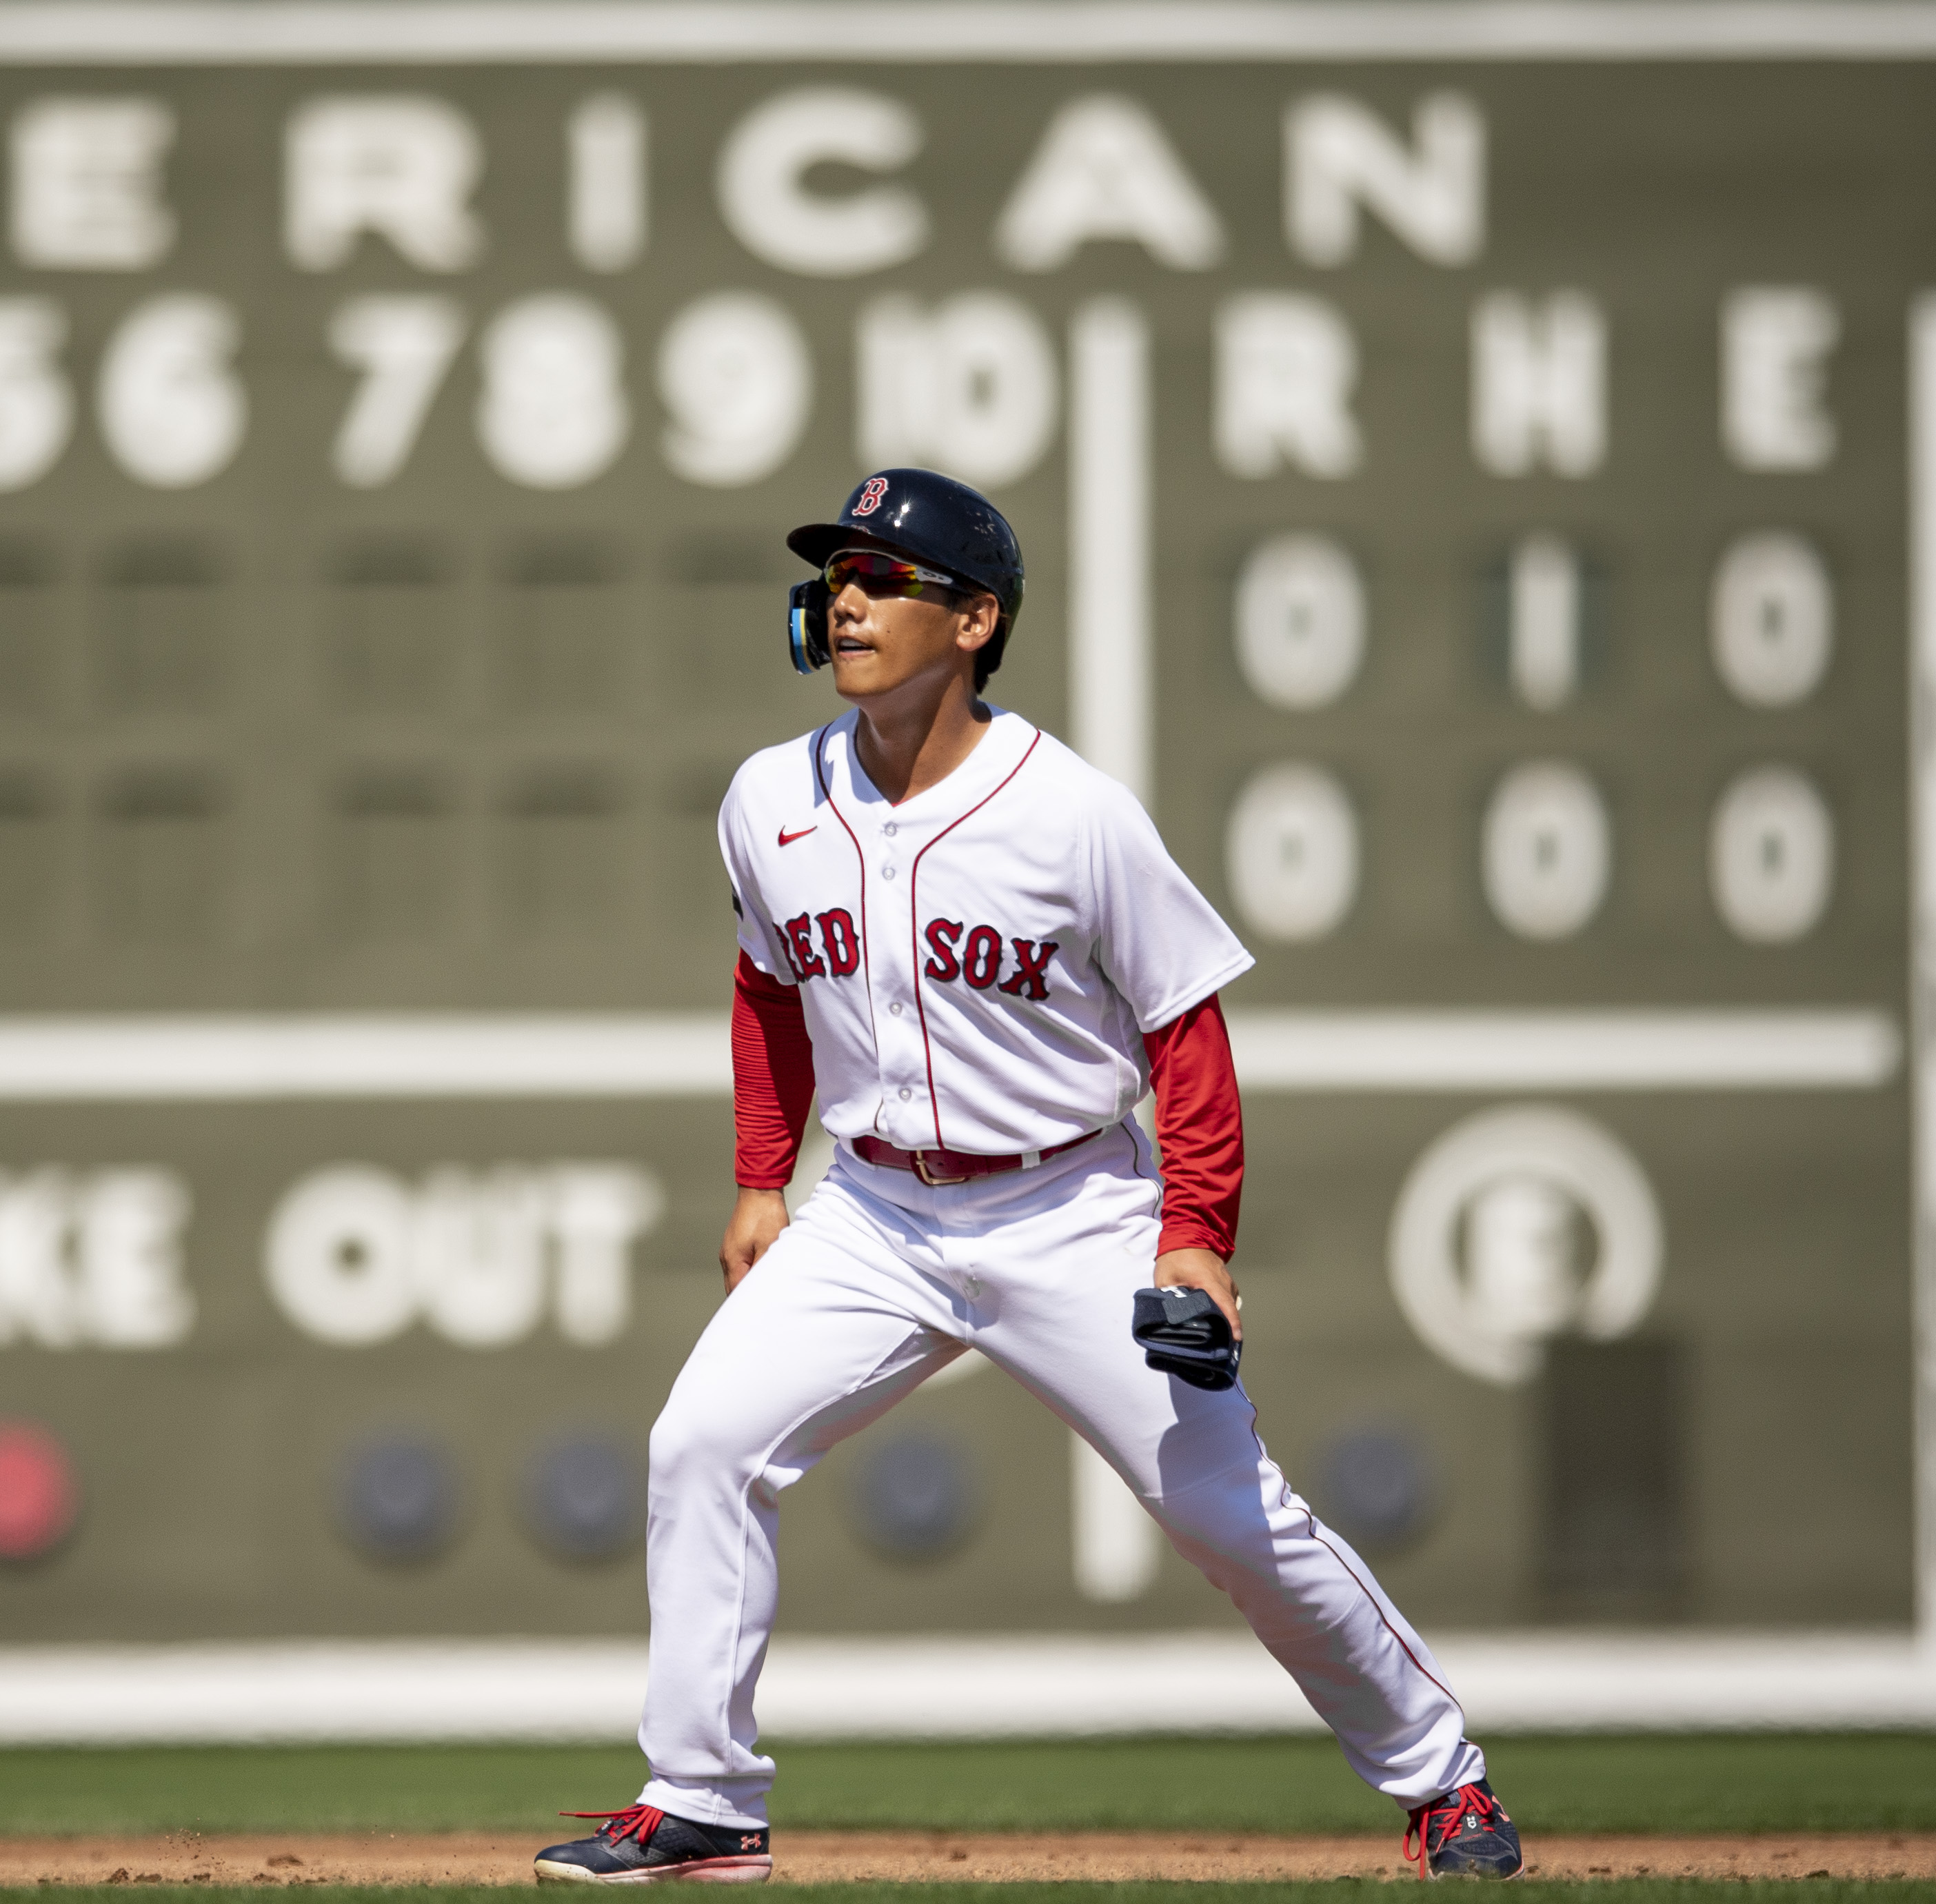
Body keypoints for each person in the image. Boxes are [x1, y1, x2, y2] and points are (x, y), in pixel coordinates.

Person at [532, 468, 1520, 1885]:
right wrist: (763, 1181)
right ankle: (701, 1798)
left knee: (1224, 1517)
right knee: (699, 1444)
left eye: (887, 578)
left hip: (1069, 1206)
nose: (850, 599)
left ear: (976, 618)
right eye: (839, 576)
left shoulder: (1071, 813)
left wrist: (1193, 1238)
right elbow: (764, 991)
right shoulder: (769, 798)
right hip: (871, 1210)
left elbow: (1186, 1029)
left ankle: (1445, 1778)